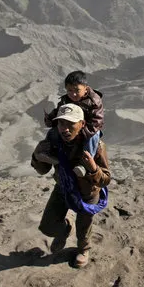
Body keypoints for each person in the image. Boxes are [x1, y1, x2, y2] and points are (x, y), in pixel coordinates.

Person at [31, 103, 111, 268]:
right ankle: (64, 229)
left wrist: (93, 168)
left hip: (87, 192)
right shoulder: (53, 140)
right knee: (48, 226)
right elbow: (42, 170)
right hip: (63, 187)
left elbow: (105, 179)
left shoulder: (96, 146)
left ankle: (83, 250)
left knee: (84, 228)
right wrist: (37, 157)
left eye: (70, 124)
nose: (65, 129)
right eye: (61, 123)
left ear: (82, 124)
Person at [44, 71, 104, 157]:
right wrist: (50, 119)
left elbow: (96, 122)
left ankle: (86, 159)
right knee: (52, 132)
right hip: (69, 128)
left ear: (85, 89)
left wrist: (82, 134)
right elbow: (58, 112)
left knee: (94, 136)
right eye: (70, 90)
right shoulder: (65, 100)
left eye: (77, 90)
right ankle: (48, 153)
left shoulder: (94, 101)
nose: (73, 94)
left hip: (86, 131)